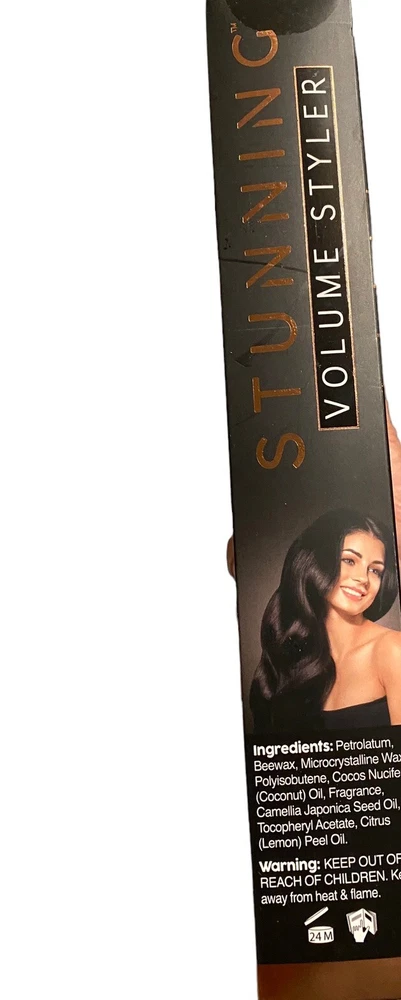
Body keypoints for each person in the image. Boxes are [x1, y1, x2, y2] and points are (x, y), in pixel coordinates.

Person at [227, 407, 401, 730]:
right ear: (316, 560)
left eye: (376, 570)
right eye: (349, 560)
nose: (363, 579)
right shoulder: (293, 659)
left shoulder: (391, 651)